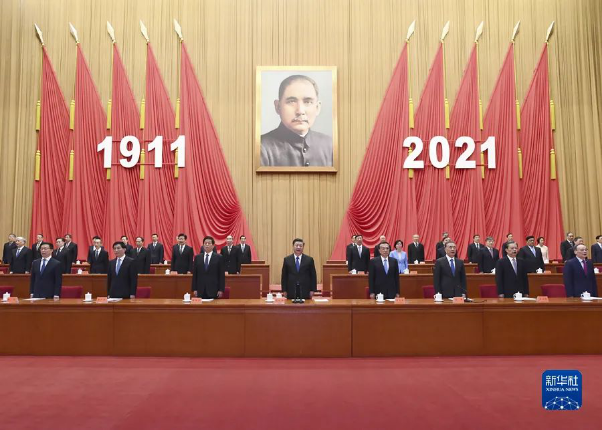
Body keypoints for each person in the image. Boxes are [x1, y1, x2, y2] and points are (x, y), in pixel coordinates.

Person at [260, 75, 333, 167]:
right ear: (278, 107)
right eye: (291, 101)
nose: (300, 111)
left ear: (317, 108)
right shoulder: (260, 148)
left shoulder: (330, 145)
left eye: (308, 102)